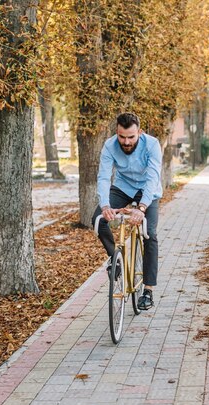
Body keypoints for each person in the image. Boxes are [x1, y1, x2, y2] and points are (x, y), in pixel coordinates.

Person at [92, 112, 162, 310]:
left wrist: (141, 208)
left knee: (150, 234)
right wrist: (105, 206)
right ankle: (116, 260)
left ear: (140, 132)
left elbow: (153, 177)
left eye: (131, 137)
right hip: (123, 187)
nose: (126, 141)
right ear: (117, 132)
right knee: (98, 219)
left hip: (148, 191)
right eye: (122, 137)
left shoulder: (152, 145)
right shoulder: (109, 146)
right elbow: (104, 177)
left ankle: (147, 290)